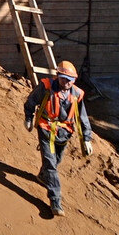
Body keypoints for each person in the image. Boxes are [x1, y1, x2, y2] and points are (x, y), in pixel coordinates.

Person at [24, 60, 94, 216]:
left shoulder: (77, 94)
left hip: (64, 133)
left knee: (56, 160)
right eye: (64, 79)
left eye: (70, 80)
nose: (67, 83)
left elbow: (83, 118)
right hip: (46, 128)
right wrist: (28, 118)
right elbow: (31, 101)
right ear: (58, 76)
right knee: (51, 164)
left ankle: (42, 176)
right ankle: (55, 201)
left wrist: (87, 138)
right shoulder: (46, 87)